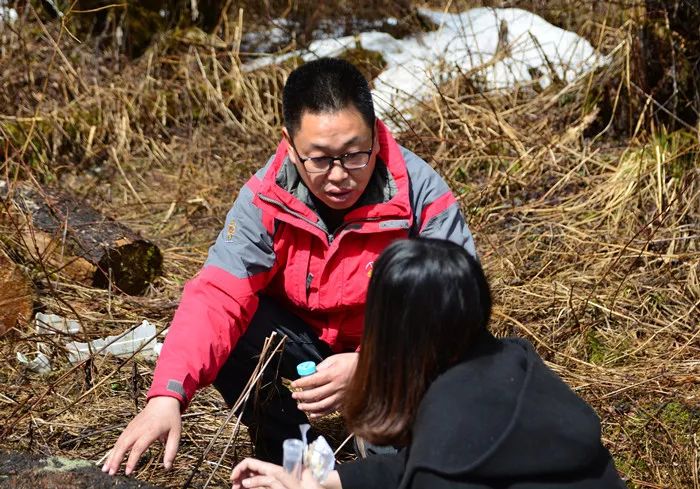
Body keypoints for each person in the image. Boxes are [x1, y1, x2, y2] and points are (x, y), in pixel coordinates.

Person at [102, 58, 476, 475]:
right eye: (319, 159)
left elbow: (455, 306)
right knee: (235, 326)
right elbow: (218, 294)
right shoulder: (266, 197)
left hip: (393, 350)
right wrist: (166, 395)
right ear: (291, 145)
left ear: (375, 132)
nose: (338, 176)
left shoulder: (420, 195)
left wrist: (375, 363)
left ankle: (378, 461)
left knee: (400, 470)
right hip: (302, 341)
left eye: (355, 154)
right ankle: (299, 457)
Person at [231, 238, 628, 489]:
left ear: (391, 335)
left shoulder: (443, 463)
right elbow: (417, 462)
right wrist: (317, 483)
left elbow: (432, 465)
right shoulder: (514, 362)